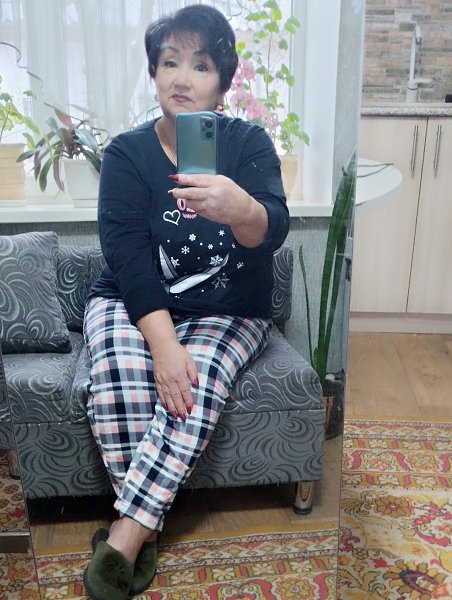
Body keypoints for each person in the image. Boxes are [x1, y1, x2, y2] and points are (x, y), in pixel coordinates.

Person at [82, 4, 289, 599]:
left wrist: (241, 208)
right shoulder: (126, 154)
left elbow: (272, 230)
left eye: (200, 65)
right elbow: (127, 257)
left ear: (221, 83)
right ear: (154, 73)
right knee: (121, 374)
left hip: (230, 308)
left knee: (194, 385)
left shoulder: (249, 145)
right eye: (170, 62)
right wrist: (165, 346)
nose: (182, 77)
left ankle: (126, 536)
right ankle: (147, 526)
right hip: (133, 299)